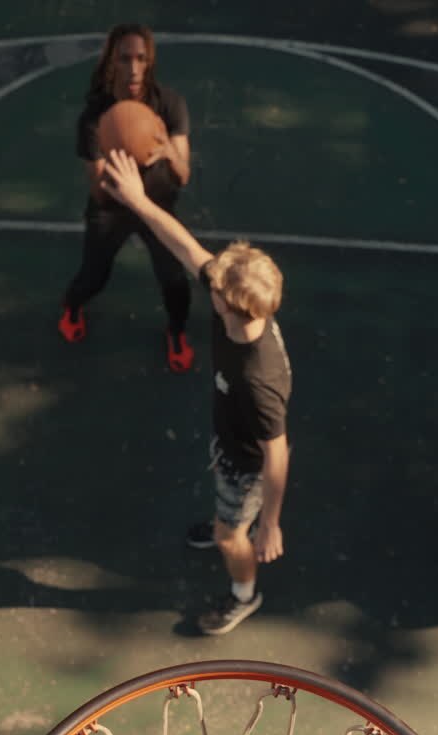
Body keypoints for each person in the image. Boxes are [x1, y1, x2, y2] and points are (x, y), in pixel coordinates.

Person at [103, 148, 291, 636]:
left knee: (233, 537)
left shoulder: (258, 380)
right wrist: (139, 201)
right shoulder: (242, 304)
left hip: (245, 467)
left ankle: (243, 594)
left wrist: (269, 522)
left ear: (228, 304)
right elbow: (187, 248)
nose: (207, 277)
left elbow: (277, 455)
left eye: (215, 285)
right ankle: (225, 526)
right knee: (224, 518)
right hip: (230, 439)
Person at [59, 23, 195, 372]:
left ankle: (176, 332)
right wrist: (120, 154)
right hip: (113, 207)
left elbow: (183, 175)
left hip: (158, 206)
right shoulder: (95, 117)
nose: (133, 68)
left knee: (175, 280)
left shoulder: (169, 105)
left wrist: (167, 151)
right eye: (124, 59)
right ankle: (72, 307)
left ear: (149, 62)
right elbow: (97, 186)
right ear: (111, 63)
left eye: (140, 58)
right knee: (93, 277)